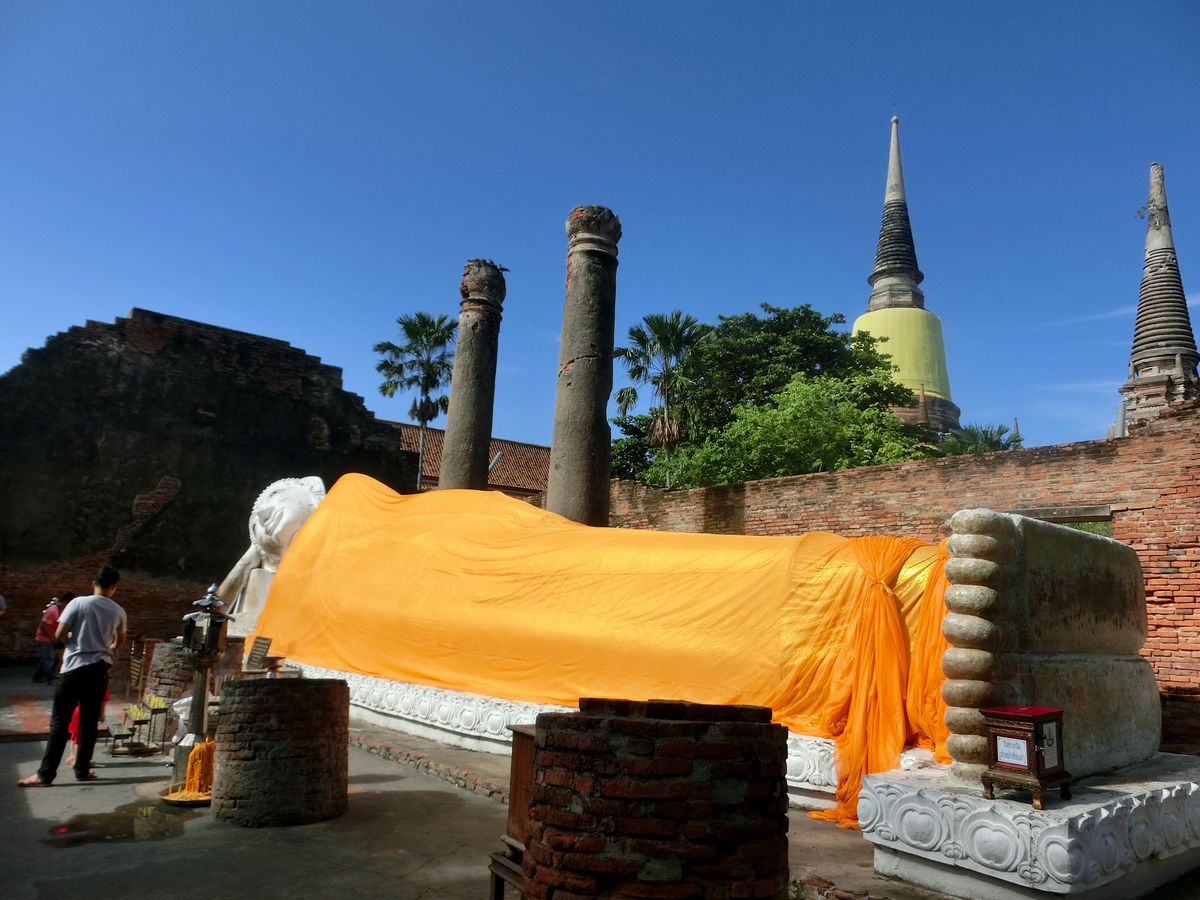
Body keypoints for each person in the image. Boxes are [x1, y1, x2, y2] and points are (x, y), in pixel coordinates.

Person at [19, 566, 126, 786]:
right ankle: (82, 770)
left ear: (93, 583)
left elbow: (59, 634)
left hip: (74, 667)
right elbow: (120, 639)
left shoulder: (78, 603)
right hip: (99, 669)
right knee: (89, 722)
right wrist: (110, 648)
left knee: (60, 721)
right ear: (114, 587)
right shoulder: (118, 611)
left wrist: (71, 642)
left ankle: (45, 774)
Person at [33, 593, 73, 683]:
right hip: (43, 638)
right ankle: (49, 678)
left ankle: (37, 677)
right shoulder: (53, 611)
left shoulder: (61, 611)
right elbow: (43, 626)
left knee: (45, 659)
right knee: (48, 659)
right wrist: (53, 638)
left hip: (49, 638)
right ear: (64, 602)